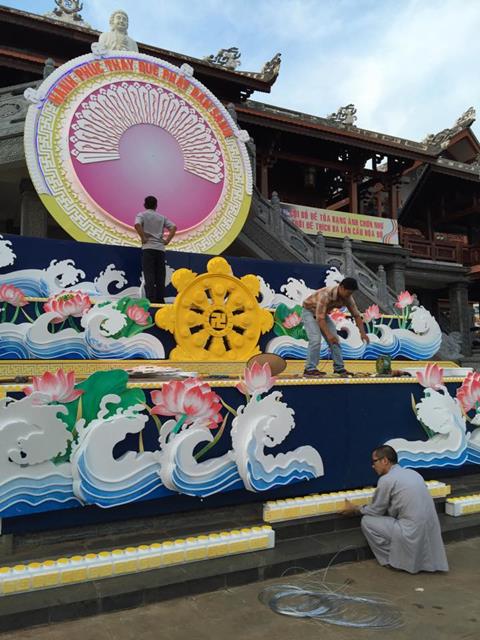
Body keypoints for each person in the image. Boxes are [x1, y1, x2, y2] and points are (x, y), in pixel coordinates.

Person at [343, 445, 449, 574]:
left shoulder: (386, 479)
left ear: (385, 460)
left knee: (367, 521)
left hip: (411, 530)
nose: (372, 466)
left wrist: (355, 509)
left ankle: (390, 560)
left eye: (374, 461)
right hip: (430, 529)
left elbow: (376, 510)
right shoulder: (413, 473)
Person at [301, 277, 369, 377]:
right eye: (348, 293)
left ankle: (339, 369)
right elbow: (320, 319)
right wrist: (328, 335)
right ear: (341, 287)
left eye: (351, 293)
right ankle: (310, 369)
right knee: (315, 339)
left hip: (323, 314)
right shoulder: (326, 295)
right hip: (309, 311)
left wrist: (363, 333)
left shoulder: (348, 298)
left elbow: (357, 316)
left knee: (335, 340)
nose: (349, 295)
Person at [135, 196, 176, 304]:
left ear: (145, 204)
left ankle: (151, 298)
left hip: (148, 248)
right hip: (160, 249)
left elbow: (137, 225)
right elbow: (174, 227)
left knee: (149, 274)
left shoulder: (142, 215)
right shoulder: (161, 217)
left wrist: (143, 237)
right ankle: (160, 299)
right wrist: (167, 241)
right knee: (160, 275)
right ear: (156, 205)